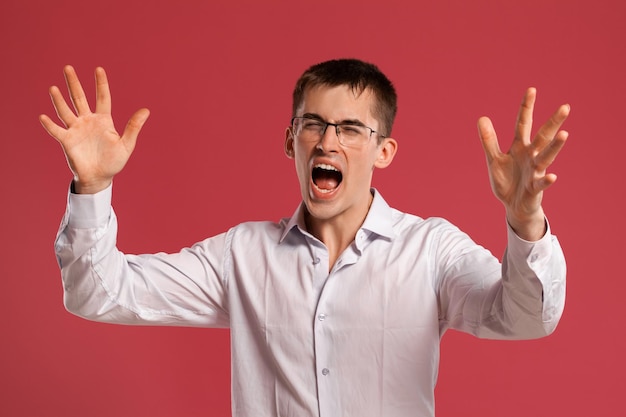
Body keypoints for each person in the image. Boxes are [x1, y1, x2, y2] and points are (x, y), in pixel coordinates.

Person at [40, 59, 569, 417]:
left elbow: (526, 317)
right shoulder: (241, 256)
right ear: (290, 140)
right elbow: (100, 293)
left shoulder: (431, 251)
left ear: (383, 150)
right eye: (312, 124)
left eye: (350, 128)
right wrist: (93, 186)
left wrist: (526, 220)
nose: (328, 140)